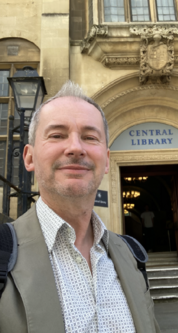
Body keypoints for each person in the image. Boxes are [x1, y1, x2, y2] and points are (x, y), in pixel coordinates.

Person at [0, 81, 161, 333]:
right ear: (29, 157)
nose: (76, 148)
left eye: (89, 137)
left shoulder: (133, 256)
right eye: (57, 135)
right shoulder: (4, 254)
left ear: (106, 160)